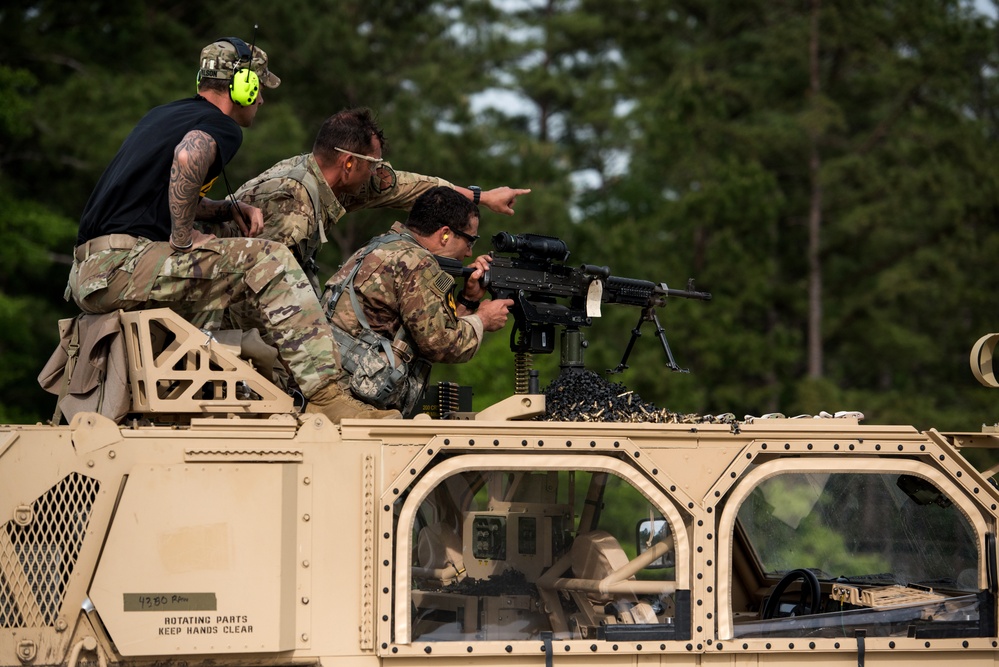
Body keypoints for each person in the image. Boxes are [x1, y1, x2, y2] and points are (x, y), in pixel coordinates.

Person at [66, 37, 399, 424]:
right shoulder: (220, 126)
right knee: (268, 260)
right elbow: (189, 154)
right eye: (258, 90)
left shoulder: (162, 115)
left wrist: (224, 208)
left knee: (222, 277)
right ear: (245, 86)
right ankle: (327, 396)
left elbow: (153, 195)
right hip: (121, 266)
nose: (260, 101)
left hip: (94, 270)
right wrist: (184, 238)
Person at [217, 107, 531, 294]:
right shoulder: (292, 204)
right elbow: (258, 287)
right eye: (374, 165)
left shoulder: (333, 177)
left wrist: (484, 197)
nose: (378, 173)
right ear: (349, 163)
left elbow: (412, 187)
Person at [321, 186, 513, 411]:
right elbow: (441, 345)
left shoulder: (386, 245)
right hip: (349, 400)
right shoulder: (417, 262)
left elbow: (429, 330)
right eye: (470, 241)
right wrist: (483, 319)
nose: (469, 253)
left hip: (333, 380)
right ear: (445, 234)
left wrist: (469, 299)